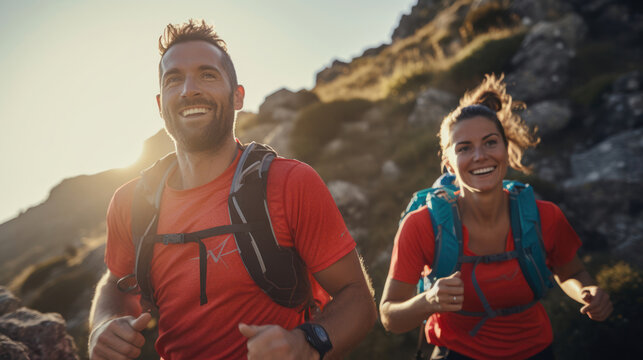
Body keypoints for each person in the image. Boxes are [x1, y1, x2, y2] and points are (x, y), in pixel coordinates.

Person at [88, 19, 376, 360]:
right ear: (159, 103)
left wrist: (305, 343)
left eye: (207, 75)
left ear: (237, 96)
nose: (188, 90)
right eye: (174, 79)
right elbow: (116, 283)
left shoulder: (290, 183)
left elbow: (357, 296)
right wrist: (103, 325)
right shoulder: (130, 203)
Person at [379, 74, 613, 360]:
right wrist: (429, 301)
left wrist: (587, 293)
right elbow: (390, 315)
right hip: (457, 352)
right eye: (464, 148)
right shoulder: (421, 225)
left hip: (536, 351)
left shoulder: (545, 217)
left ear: (505, 148)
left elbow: (572, 273)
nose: (480, 156)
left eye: (490, 143)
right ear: (448, 162)